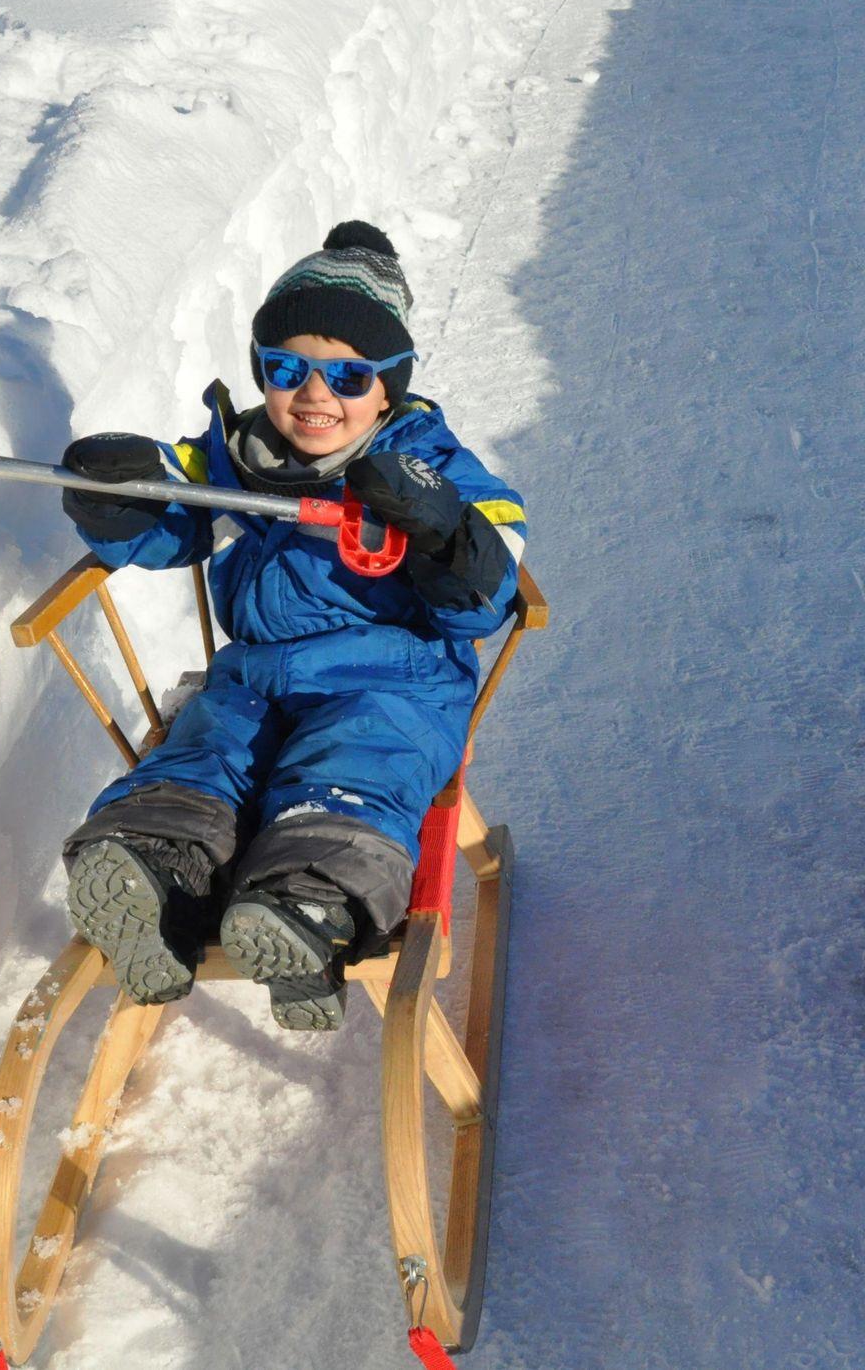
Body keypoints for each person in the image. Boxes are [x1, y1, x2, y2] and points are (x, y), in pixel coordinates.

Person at [55, 221, 526, 1026]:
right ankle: (155, 869)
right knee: (206, 752)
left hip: (393, 678)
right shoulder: (236, 457)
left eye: (348, 376)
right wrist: (115, 497)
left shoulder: (434, 466)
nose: (315, 395)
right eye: (287, 369)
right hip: (254, 675)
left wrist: (441, 528)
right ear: (262, 372)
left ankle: (310, 902)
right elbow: (172, 517)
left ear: (388, 388)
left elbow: (491, 587)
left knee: (356, 765)